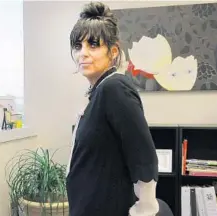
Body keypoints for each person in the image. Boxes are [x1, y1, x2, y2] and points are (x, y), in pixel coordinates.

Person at [66, 2, 159, 216]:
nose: (83, 53)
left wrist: (145, 208)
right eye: (78, 46)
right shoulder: (97, 92)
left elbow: (143, 154)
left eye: (93, 45)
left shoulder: (114, 88)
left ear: (113, 51)